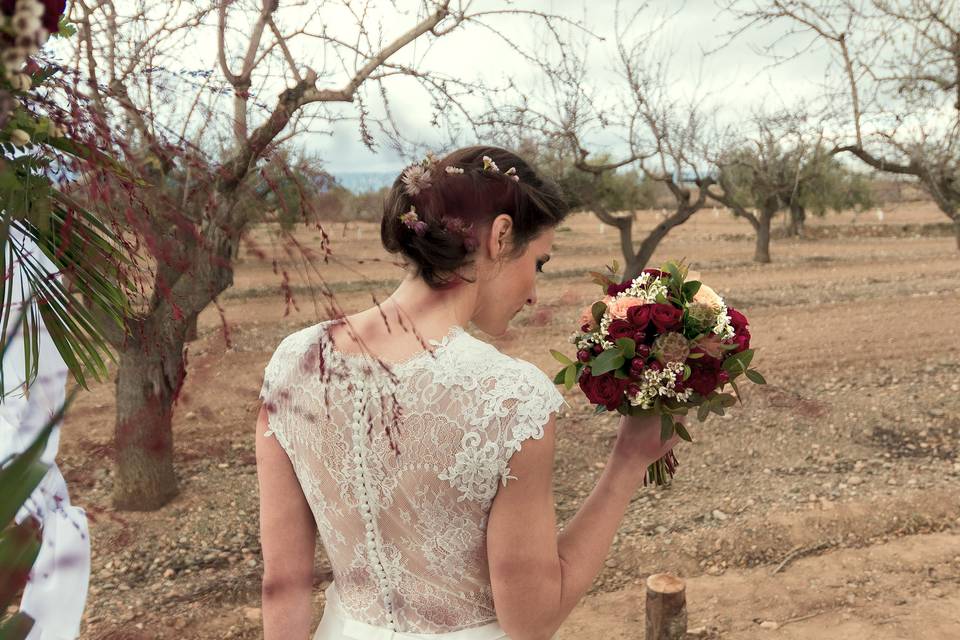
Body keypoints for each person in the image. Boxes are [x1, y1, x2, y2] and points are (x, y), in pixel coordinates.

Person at [256, 145, 680, 640]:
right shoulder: (509, 398)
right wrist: (628, 462)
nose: (533, 294)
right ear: (501, 236)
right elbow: (533, 620)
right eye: (539, 263)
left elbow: (282, 587)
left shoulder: (294, 359)